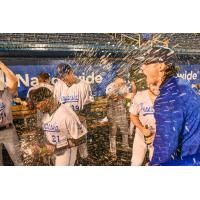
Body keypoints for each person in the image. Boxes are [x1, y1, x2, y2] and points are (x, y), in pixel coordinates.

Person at [137, 45, 200, 165]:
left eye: (146, 63)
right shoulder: (182, 85)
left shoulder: (168, 97)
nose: (142, 68)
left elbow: (165, 150)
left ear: (161, 66)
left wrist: (154, 165)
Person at [30, 87, 87, 166]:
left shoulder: (67, 114)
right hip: (53, 154)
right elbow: (49, 133)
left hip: (66, 154)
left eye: (37, 104)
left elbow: (82, 138)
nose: (37, 107)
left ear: (46, 101)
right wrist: (41, 146)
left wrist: (57, 147)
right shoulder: (45, 115)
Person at [54, 63, 94, 162]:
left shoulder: (84, 85)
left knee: (82, 145)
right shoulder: (58, 85)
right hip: (64, 122)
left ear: (71, 72)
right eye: (61, 77)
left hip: (79, 120)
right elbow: (55, 104)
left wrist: (80, 118)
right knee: (68, 148)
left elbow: (88, 104)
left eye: (64, 76)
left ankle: (84, 161)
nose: (63, 79)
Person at [0, 61, 23, 166]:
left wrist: (1, 65)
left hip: (8, 130)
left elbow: (14, 81)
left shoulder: (6, 93)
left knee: (18, 161)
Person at [129, 83, 158, 166]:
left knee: (155, 165)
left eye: (158, 84)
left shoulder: (166, 96)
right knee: (136, 163)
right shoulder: (140, 96)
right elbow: (133, 115)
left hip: (158, 137)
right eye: (154, 84)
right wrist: (142, 129)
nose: (156, 88)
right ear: (149, 84)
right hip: (141, 135)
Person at [106, 77, 131, 160]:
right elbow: (110, 96)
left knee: (125, 130)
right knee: (113, 133)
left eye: (122, 82)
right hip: (112, 112)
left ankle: (125, 146)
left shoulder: (125, 86)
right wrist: (120, 95)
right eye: (120, 81)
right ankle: (113, 152)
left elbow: (127, 96)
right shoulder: (110, 86)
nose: (122, 83)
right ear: (116, 80)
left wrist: (122, 96)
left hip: (122, 112)